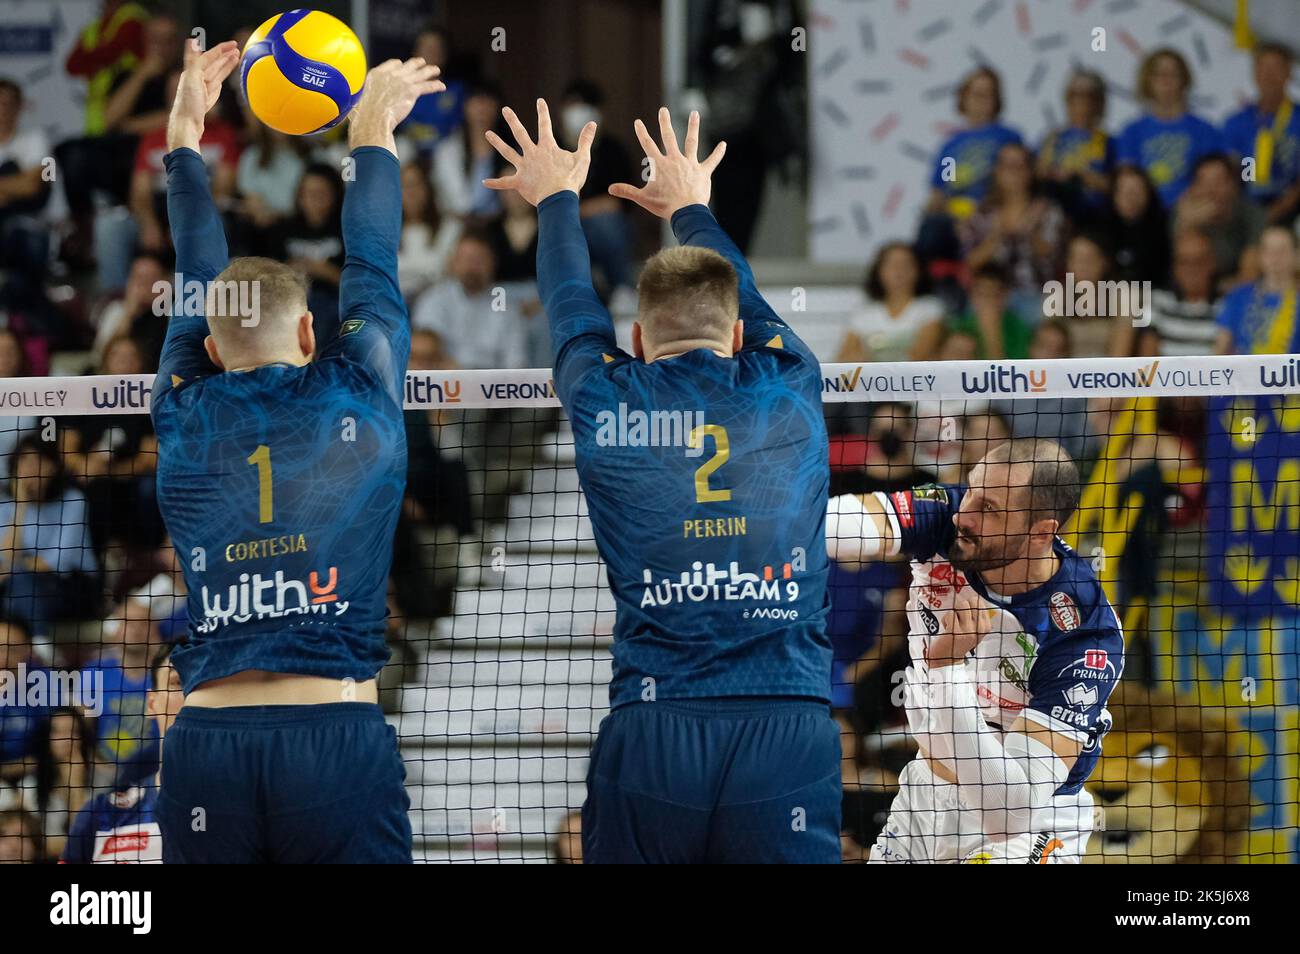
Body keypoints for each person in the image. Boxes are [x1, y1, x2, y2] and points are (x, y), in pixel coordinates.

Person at [485, 102, 840, 863]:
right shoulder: (789, 381)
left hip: (656, 721)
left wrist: (554, 200)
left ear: (637, 340)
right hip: (788, 719)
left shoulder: (606, 399)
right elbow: (738, 291)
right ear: (740, 336)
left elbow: (571, 306)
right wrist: (690, 210)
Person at [149, 40, 441, 863]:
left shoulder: (182, 406)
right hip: (333, 737)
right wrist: (371, 129)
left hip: (206, 745)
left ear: (204, 344)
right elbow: (372, 260)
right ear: (311, 332)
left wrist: (183, 133)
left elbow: (197, 267)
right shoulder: (363, 395)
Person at [825, 439, 1124, 862]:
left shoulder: (1083, 633)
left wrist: (947, 667)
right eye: (970, 491)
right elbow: (842, 525)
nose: (963, 515)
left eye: (989, 509)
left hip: (1026, 824)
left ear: (1041, 533)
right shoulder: (951, 520)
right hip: (924, 792)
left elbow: (1008, 811)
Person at [61, 644, 183, 863]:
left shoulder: (251, 807)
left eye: (204, 685)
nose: (192, 696)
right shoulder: (100, 814)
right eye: (178, 683)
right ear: (152, 703)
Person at [1116, 48, 1223, 208]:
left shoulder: (1204, 130)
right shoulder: (1131, 132)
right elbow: (1126, 180)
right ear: (1147, 81)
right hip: (1145, 214)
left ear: (1184, 80)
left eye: (1173, 74)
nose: (1165, 80)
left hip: (1192, 210)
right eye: (1158, 74)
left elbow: (1214, 180)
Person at [1222, 42, 1300, 223]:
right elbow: (1231, 171)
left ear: (1289, 73)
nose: (1269, 75)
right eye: (1263, 67)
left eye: (1276, 68)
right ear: (1254, 74)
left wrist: (1281, 207)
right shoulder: (1236, 122)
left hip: (1293, 205)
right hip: (1247, 207)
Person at [834, 243, 945, 363]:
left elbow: (919, 355)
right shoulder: (864, 312)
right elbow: (844, 359)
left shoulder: (930, 308)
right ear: (879, 271)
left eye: (906, 264)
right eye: (891, 265)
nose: (899, 270)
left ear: (918, 270)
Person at [1037, 70, 1114, 221]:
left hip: (1094, 216)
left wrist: (1080, 176)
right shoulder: (1051, 140)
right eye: (1075, 95)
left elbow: (1116, 186)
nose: (1081, 102)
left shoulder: (1109, 142)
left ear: (1100, 101)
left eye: (1088, 95)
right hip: (1053, 215)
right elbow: (1035, 174)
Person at [1215, 224, 1300, 354]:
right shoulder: (1238, 297)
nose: (1275, 257)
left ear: (1296, 255)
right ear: (1260, 255)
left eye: (1282, 250)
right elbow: (1221, 349)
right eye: (1268, 250)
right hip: (1244, 372)